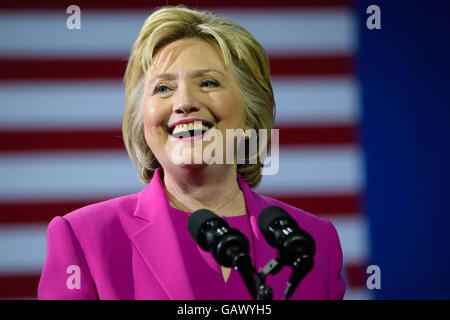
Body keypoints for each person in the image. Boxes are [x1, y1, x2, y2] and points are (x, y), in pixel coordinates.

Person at [38, 6, 345, 300]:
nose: (184, 102)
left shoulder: (314, 240)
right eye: (162, 88)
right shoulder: (83, 238)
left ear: (251, 112)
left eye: (208, 82)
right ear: (140, 119)